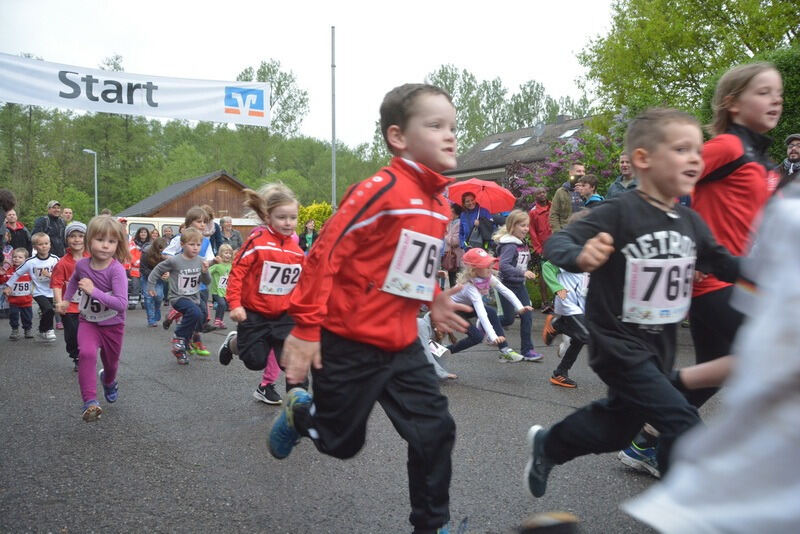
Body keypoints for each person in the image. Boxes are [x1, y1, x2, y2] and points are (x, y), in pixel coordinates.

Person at [268, 83, 469, 534]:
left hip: (400, 344)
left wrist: (432, 298)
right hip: (349, 341)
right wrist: (304, 327)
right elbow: (325, 252)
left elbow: (403, 266)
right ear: (398, 137)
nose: (450, 135)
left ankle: (432, 526)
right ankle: (300, 412)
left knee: (436, 430)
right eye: (435, 125)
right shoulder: (380, 190)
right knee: (341, 444)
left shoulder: (440, 204)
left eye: (453, 126)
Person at [523, 108, 740, 501]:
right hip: (618, 346)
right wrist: (582, 255)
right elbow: (559, 243)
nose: (695, 158)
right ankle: (683, 511)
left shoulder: (690, 223)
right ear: (643, 159)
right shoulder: (618, 212)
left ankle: (549, 446)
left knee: (617, 428)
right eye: (682, 149)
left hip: (659, 349)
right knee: (683, 422)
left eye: (698, 150)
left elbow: (727, 262)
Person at [619, 62, 784, 475]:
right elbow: (663, 177)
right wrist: (675, 248)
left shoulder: (761, 160)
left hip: (740, 282)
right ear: (732, 102)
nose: (775, 99)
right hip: (715, 282)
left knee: (710, 374)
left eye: (777, 92)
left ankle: (646, 442)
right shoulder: (727, 146)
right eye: (763, 91)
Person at [622, 183, 800, 533]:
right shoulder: (729, 155)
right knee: (753, 365)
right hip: (722, 287)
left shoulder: (771, 181)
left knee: (729, 367)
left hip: (732, 285)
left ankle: (653, 427)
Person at [217, 184, 309, 405]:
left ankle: (300, 404)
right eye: (282, 217)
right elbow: (237, 272)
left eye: (293, 218)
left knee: (293, 360)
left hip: (284, 316)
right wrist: (235, 304)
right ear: (268, 217)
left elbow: (303, 283)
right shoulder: (257, 243)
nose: (288, 223)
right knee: (255, 361)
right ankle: (233, 343)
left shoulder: (297, 252)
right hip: (255, 313)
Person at [59, 216, 129, 422]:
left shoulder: (116, 271)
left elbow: (121, 303)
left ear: (118, 244)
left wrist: (94, 291)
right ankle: (90, 401)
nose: (105, 245)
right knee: (87, 354)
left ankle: (108, 381)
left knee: (111, 365)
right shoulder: (82, 266)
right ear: (89, 241)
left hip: (113, 325)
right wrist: (65, 300)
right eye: (100, 240)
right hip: (88, 321)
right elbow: (74, 281)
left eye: (112, 241)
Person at [445, 247, 533, 362]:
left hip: (465, 307)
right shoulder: (469, 287)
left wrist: (520, 308)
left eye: (490, 264)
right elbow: (481, 313)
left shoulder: (487, 277)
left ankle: (505, 350)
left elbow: (505, 291)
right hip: (451, 311)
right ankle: (443, 351)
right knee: (477, 337)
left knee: (491, 312)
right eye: (485, 266)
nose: (489, 268)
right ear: (473, 269)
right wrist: (493, 337)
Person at [540, 212, 591, 389]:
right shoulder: (569, 249)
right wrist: (557, 288)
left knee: (580, 339)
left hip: (581, 303)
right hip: (567, 300)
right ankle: (557, 325)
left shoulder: (589, 249)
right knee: (586, 335)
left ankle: (560, 373)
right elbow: (547, 267)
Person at [147, 227, 211, 365]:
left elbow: (207, 281)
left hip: (194, 297)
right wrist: (151, 285)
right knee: (194, 313)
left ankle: (182, 346)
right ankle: (179, 337)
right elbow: (158, 269)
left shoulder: (201, 261)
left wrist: (205, 272)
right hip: (178, 297)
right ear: (182, 245)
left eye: (198, 245)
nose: (195, 248)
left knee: (201, 316)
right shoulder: (175, 261)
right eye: (191, 244)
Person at [494, 210, 543, 361]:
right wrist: (522, 273)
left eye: (527, 226)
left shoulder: (521, 243)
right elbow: (503, 265)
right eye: (522, 226)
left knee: (527, 315)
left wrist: (525, 271)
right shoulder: (509, 245)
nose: (526, 229)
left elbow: (519, 264)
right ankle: (487, 323)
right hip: (506, 285)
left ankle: (527, 350)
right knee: (508, 319)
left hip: (519, 285)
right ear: (512, 226)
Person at [4, 232, 60, 342]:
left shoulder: (55, 259)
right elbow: (17, 274)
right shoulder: (30, 262)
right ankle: (49, 330)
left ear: (50, 244)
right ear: (34, 247)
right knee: (48, 309)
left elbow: (62, 274)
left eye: (46, 243)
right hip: (37, 291)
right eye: (40, 244)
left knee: (49, 311)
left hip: (51, 290)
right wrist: (8, 286)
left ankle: (42, 330)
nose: (44, 246)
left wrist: (51, 276)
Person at [51, 222, 89, 372]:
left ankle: (86, 355)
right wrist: (59, 303)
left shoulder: (93, 259)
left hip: (90, 306)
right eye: (72, 236)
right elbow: (56, 284)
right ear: (67, 239)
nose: (77, 240)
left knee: (89, 334)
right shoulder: (63, 263)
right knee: (72, 335)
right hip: (71, 306)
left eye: (80, 236)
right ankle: (76, 356)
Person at [0, 247, 33, 339]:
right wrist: (1, 274)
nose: (16, 259)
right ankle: (15, 330)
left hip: (26, 300)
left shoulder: (29, 271)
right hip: (13, 300)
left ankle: (28, 330)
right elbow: (2, 281)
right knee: (13, 316)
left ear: (26, 259)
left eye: (20, 257)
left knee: (27, 317)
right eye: (14, 257)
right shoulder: (9, 271)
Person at [140, 237, 169, 327]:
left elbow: (171, 266)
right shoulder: (146, 253)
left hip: (159, 279)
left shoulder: (167, 254)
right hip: (146, 278)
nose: (161, 251)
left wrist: (168, 273)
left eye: (163, 249)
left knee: (159, 296)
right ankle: (151, 320)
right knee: (148, 298)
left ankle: (157, 308)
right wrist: (156, 274)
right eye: (159, 249)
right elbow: (143, 269)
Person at [549, 162, 585, 233]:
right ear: (570, 173)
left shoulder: (589, 190)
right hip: (568, 232)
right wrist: (559, 233)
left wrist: (584, 193)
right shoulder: (561, 192)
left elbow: (595, 209)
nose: (582, 173)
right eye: (578, 171)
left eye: (583, 171)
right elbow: (554, 214)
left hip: (585, 231)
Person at [208, 243, 232, 329]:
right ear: (220, 254)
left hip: (226, 291)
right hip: (216, 291)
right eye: (226, 253)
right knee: (221, 304)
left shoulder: (231, 265)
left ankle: (220, 321)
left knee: (224, 305)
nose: (228, 255)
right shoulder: (217, 266)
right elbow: (207, 271)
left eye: (230, 253)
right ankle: (217, 320)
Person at [441, 203, 463, 288]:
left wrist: (446, 235)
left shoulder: (459, 224)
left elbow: (455, 241)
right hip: (450, 255)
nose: (450, 213)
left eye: (452, 212)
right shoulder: (451, 223)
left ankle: (455, 298)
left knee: (454, 279)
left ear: (456, 213)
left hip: (455, 257)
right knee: (451, 277)